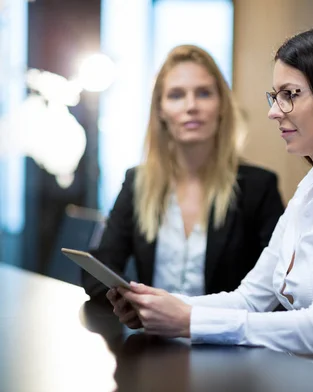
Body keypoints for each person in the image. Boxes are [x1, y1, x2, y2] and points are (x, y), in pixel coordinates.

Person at [108, 25, 313, 367]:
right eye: (275, 96)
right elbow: (250, 299)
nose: (274, 111)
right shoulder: (310, 186)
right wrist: (158, 304)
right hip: (287, 378)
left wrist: (189, 320)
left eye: (290, 94)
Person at [83, 45, 284, 304]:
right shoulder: (138, 183)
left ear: (222, 105)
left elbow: (279, 288)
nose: (191, 106)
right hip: (152, 339)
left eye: (203, 93)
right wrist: (136, 305)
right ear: (160, 110)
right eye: (176, 95)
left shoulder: (258, 188)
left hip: (228, 340)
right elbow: (98, 272)